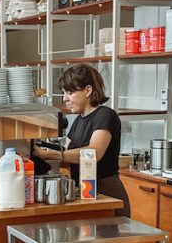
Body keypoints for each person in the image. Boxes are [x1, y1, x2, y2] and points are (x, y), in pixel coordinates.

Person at [34, 63, 129, 208]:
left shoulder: (105, 115)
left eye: (69, 93)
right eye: (64, 93)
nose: (65, 99)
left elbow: (93, 153)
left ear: (88, 90)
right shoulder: (79, 120)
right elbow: (67, 156)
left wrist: (48, 154)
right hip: (85, 190)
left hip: (106, 192)